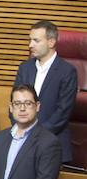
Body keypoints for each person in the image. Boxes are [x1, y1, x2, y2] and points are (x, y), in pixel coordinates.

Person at [13, 20, 79, 164]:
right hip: (22, 144)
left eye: (36, 40)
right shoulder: (25, 68)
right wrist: (21, 131)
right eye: (30, 40)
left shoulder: (67, 72)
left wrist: (35, 135)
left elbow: (62, 113)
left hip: (53, 144)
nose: (30, 45)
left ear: (51, 42)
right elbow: (14, 103)